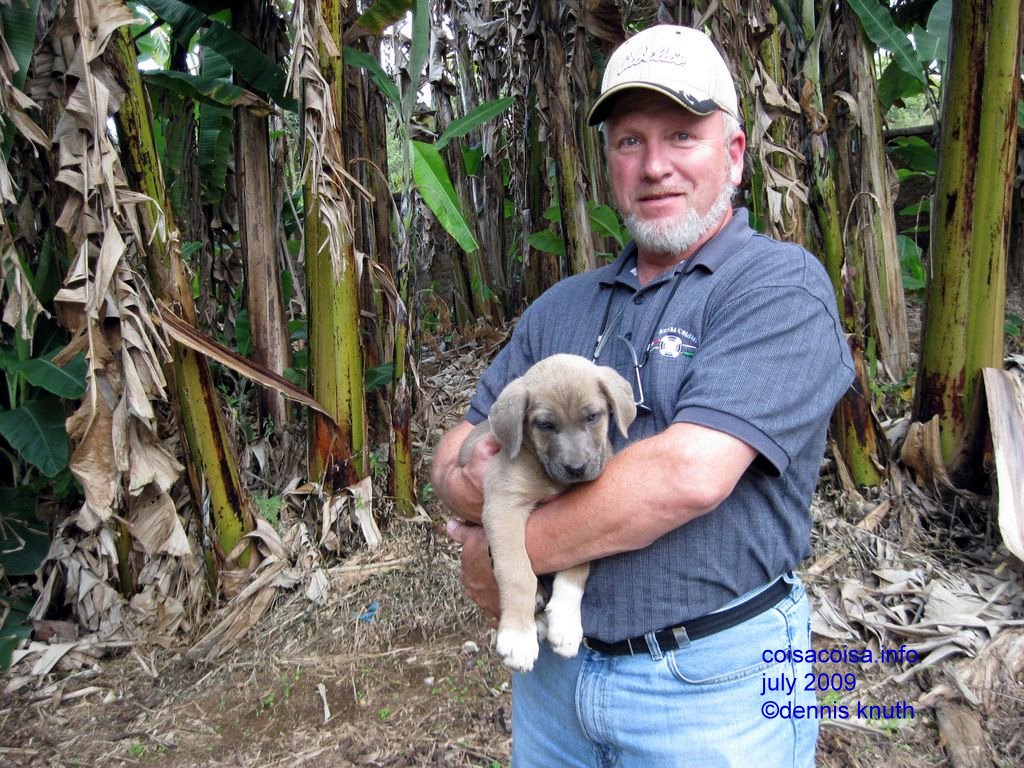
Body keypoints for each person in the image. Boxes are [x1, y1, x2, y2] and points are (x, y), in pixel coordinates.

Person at [431, 24, 854, 768]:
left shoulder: (778, 288)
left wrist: (505, 556)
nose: (655, 166)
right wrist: (473, 476)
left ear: (735, 154)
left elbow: (686, 476)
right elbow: (455, 456)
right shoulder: (559, 309)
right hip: (554, 686)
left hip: (714, 684)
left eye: (683, 136)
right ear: (609, 163)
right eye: (630, 141)